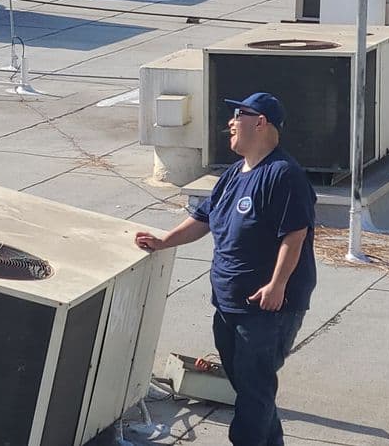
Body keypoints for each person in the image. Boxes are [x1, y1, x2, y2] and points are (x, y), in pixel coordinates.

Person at [135, 92, 317, 445]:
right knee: (248, 386)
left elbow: (295, 234)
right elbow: (202, 218)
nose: (229, 124)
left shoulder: (283, 175)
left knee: (254, 389)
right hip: (230, 303)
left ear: (260, 122)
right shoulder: (235, 173)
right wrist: (163, 241)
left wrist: (278, 284)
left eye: (238, 115)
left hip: (267, 308)